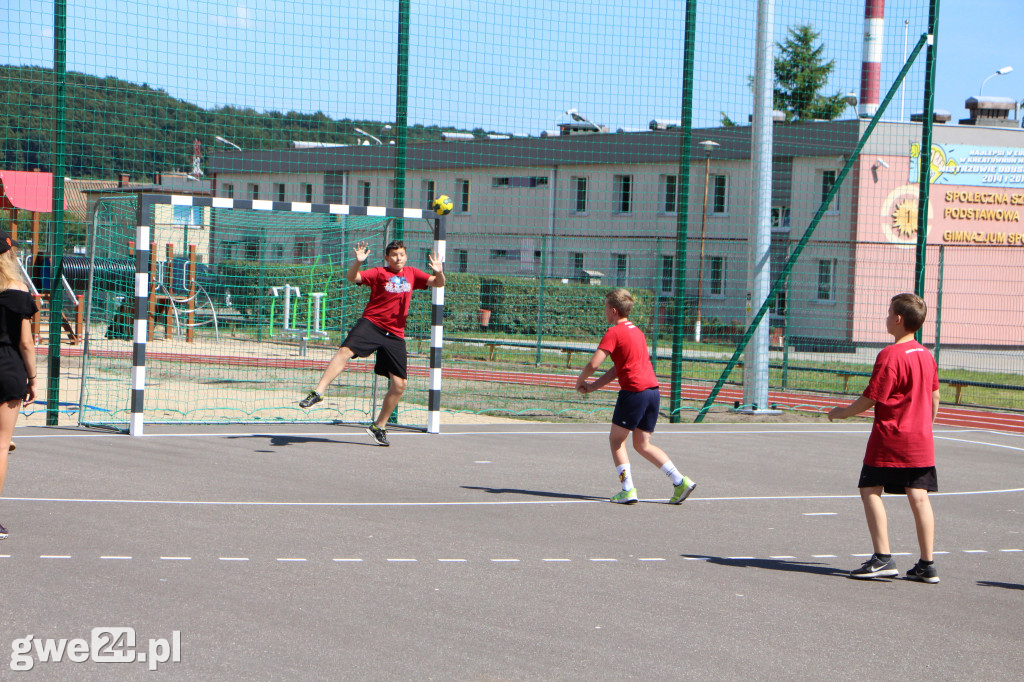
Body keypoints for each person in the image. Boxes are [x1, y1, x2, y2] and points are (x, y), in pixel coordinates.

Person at [829, 293, 941, 583]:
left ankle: (882, 558)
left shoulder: (889, 356)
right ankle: (927, 564)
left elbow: (871, 397)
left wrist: (843, 412)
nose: (886, 316)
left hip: (891, 437)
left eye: (889, 312)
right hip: (920, 440)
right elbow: (934, 395)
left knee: (870, 489)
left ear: (898, 319)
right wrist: (925, 426)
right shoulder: (926, 355)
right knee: (919, 496)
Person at [299, 240, 444, 446]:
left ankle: (379, 426)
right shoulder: (378, 273)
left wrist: (439, 271)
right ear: (387, 258)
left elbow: (439, 283)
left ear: (406, 256)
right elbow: (352, 277)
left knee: (400, 384)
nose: (398, 258)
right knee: (345, 351)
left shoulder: (412, 273)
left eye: (401, 254)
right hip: (372, 324)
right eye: (394, 255)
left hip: (395, 333)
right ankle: (318, 392)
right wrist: (358, 262)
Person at [575, 289, 696, 505]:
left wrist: (580, 380)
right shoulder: (637, 332)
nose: (604, 312)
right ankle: (680, 481)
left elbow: (594, 363)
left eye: (605, 308)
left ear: (613, 311)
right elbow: (618, 369)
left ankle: (627, 489)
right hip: (652, 393)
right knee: (642, 444)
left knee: (616, 440)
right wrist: (592, 387)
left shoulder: (613, 332)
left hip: (634, 393)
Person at [0, 228, 38, 539]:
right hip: (7, 367)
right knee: (1, 444)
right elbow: (26, 343)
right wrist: (34, 378)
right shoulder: (17, 290)